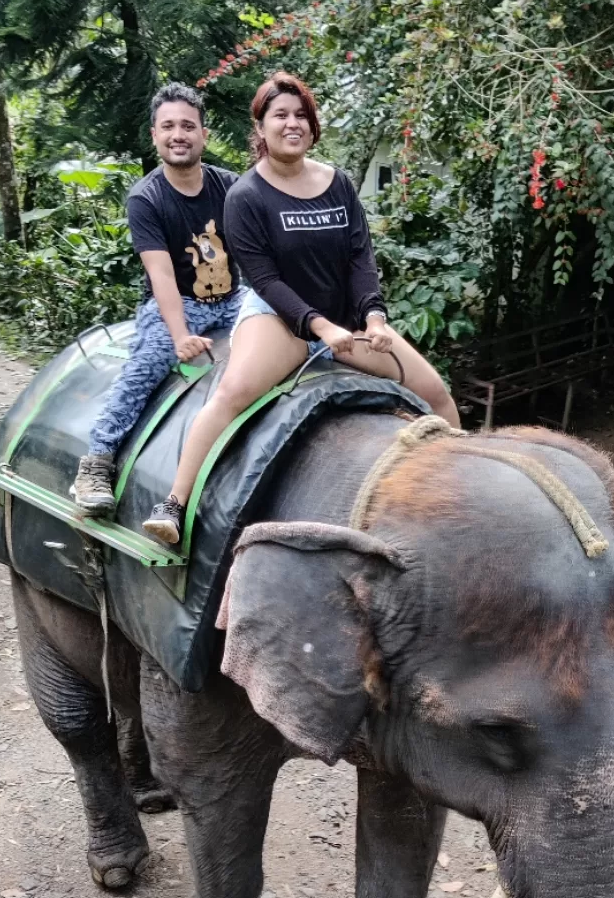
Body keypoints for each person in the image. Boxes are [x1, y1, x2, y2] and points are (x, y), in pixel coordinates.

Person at [144, 71, 458, 545]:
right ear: (262, 127)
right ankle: (174, 501)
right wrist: (320, 328)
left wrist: (374, 316)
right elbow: (265, 279)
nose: (292, 124)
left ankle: (455, 493)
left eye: (301, 116)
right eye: (280, 116)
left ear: (312, 126)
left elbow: (359, 257)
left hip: (346, 322)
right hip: (279, 320)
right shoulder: (245, 196)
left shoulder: (338, 183)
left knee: (436, 393)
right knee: (231, 393)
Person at [70, 82, 245, 517]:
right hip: (179, 304)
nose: (178, 134)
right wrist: (180, 334)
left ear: (204, 134)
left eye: (188, 125)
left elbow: (259, 251)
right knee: (148, 364)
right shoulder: (146, 199)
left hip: (233, 297)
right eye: (168, 126)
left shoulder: (230, 187)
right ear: (155, 135)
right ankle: (97, 461)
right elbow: (161, 273)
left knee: (302, 336)